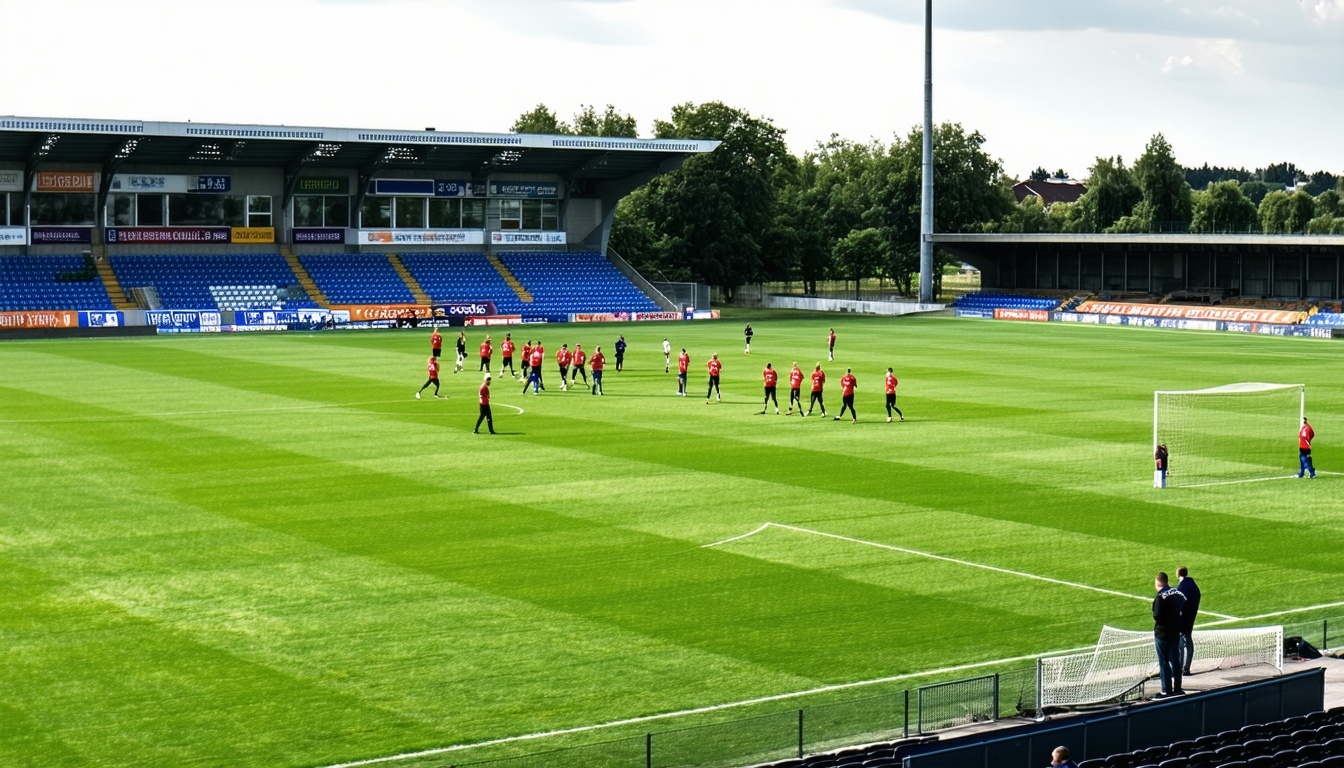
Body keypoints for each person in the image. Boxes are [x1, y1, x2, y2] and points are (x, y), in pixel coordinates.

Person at [1152, 571, 1187, 698]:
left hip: (1162, 633)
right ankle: (1177, 688)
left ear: (1158, 582)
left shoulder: (1160, 597)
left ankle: (1166, 690)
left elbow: (1157, 615)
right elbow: (1184, 606)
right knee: (1175, 660)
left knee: (1164, 661)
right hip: (1175, 631)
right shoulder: (1177, 593)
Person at [1176, 566, 1201, 676]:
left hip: (1183, 619)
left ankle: (1181, 668)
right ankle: (1186, 667)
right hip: (1191, 616)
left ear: (1178, 574)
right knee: (1188, 639)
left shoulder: (1181, 587)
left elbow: (1179, 602)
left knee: (1182, 642)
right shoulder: (1193, 585)